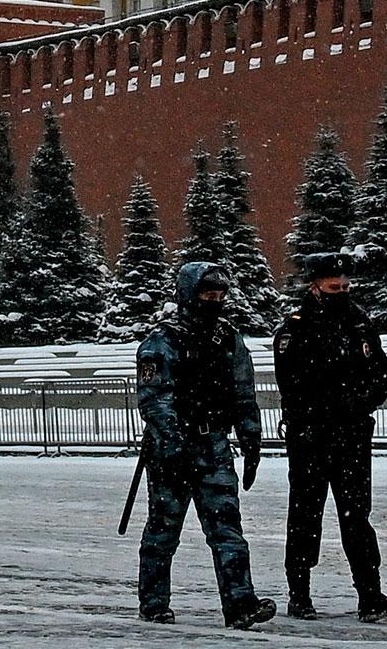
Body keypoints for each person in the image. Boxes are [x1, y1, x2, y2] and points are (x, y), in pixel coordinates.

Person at [133, 261, 276, 629]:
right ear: (187, 295)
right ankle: (153, 603)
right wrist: (173, 444)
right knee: (163, 533)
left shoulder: (227, 338)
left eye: (219, 295)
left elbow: (243, 391)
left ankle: (240, 603)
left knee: (228, 531)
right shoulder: (162, 341)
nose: (214, 302)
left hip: (214, 445)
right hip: (171, 451)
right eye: (206, 295)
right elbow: (154, 399)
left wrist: (250, 437)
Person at [274, 252, 387, 622]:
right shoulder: (295, 329)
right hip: (311, 437)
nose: (342, 292)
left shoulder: (359, 324)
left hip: (351, 436)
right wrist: (335, 403)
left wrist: (361, 401)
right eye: (334, 287)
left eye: (346, 286)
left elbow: (380, 373)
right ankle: (299, 593)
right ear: (315, 287)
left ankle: (369, 593)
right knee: (304, 515)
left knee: (357, 517)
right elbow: (293, 384)